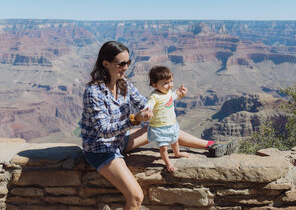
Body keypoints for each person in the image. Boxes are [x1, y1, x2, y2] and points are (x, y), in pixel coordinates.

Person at [80, 41, 238, 210]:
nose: (126, 67)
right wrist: (134, 120)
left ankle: (212, 146)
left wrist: (172, 96)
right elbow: (103, 130)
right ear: (106, 64)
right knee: (136, 197)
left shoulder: (123, 82)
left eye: (128, 63)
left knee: (160, 128)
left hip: (119, 140)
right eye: (122, 64)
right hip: (101, 149)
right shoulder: (93, 92)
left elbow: (145, 103)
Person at [145, 65, 190, 172]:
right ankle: (168, 163)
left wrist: (180, 93)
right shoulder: (154, 96)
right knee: (164, 147)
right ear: (155, 85)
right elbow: (150, 104)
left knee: (175, 141)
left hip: (172, 124)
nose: (170, 85)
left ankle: (177, 153)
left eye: (171, 81)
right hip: (160, 127)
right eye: (166, 83)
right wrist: (148, 110)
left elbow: (174, 96)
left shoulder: (168, 92)